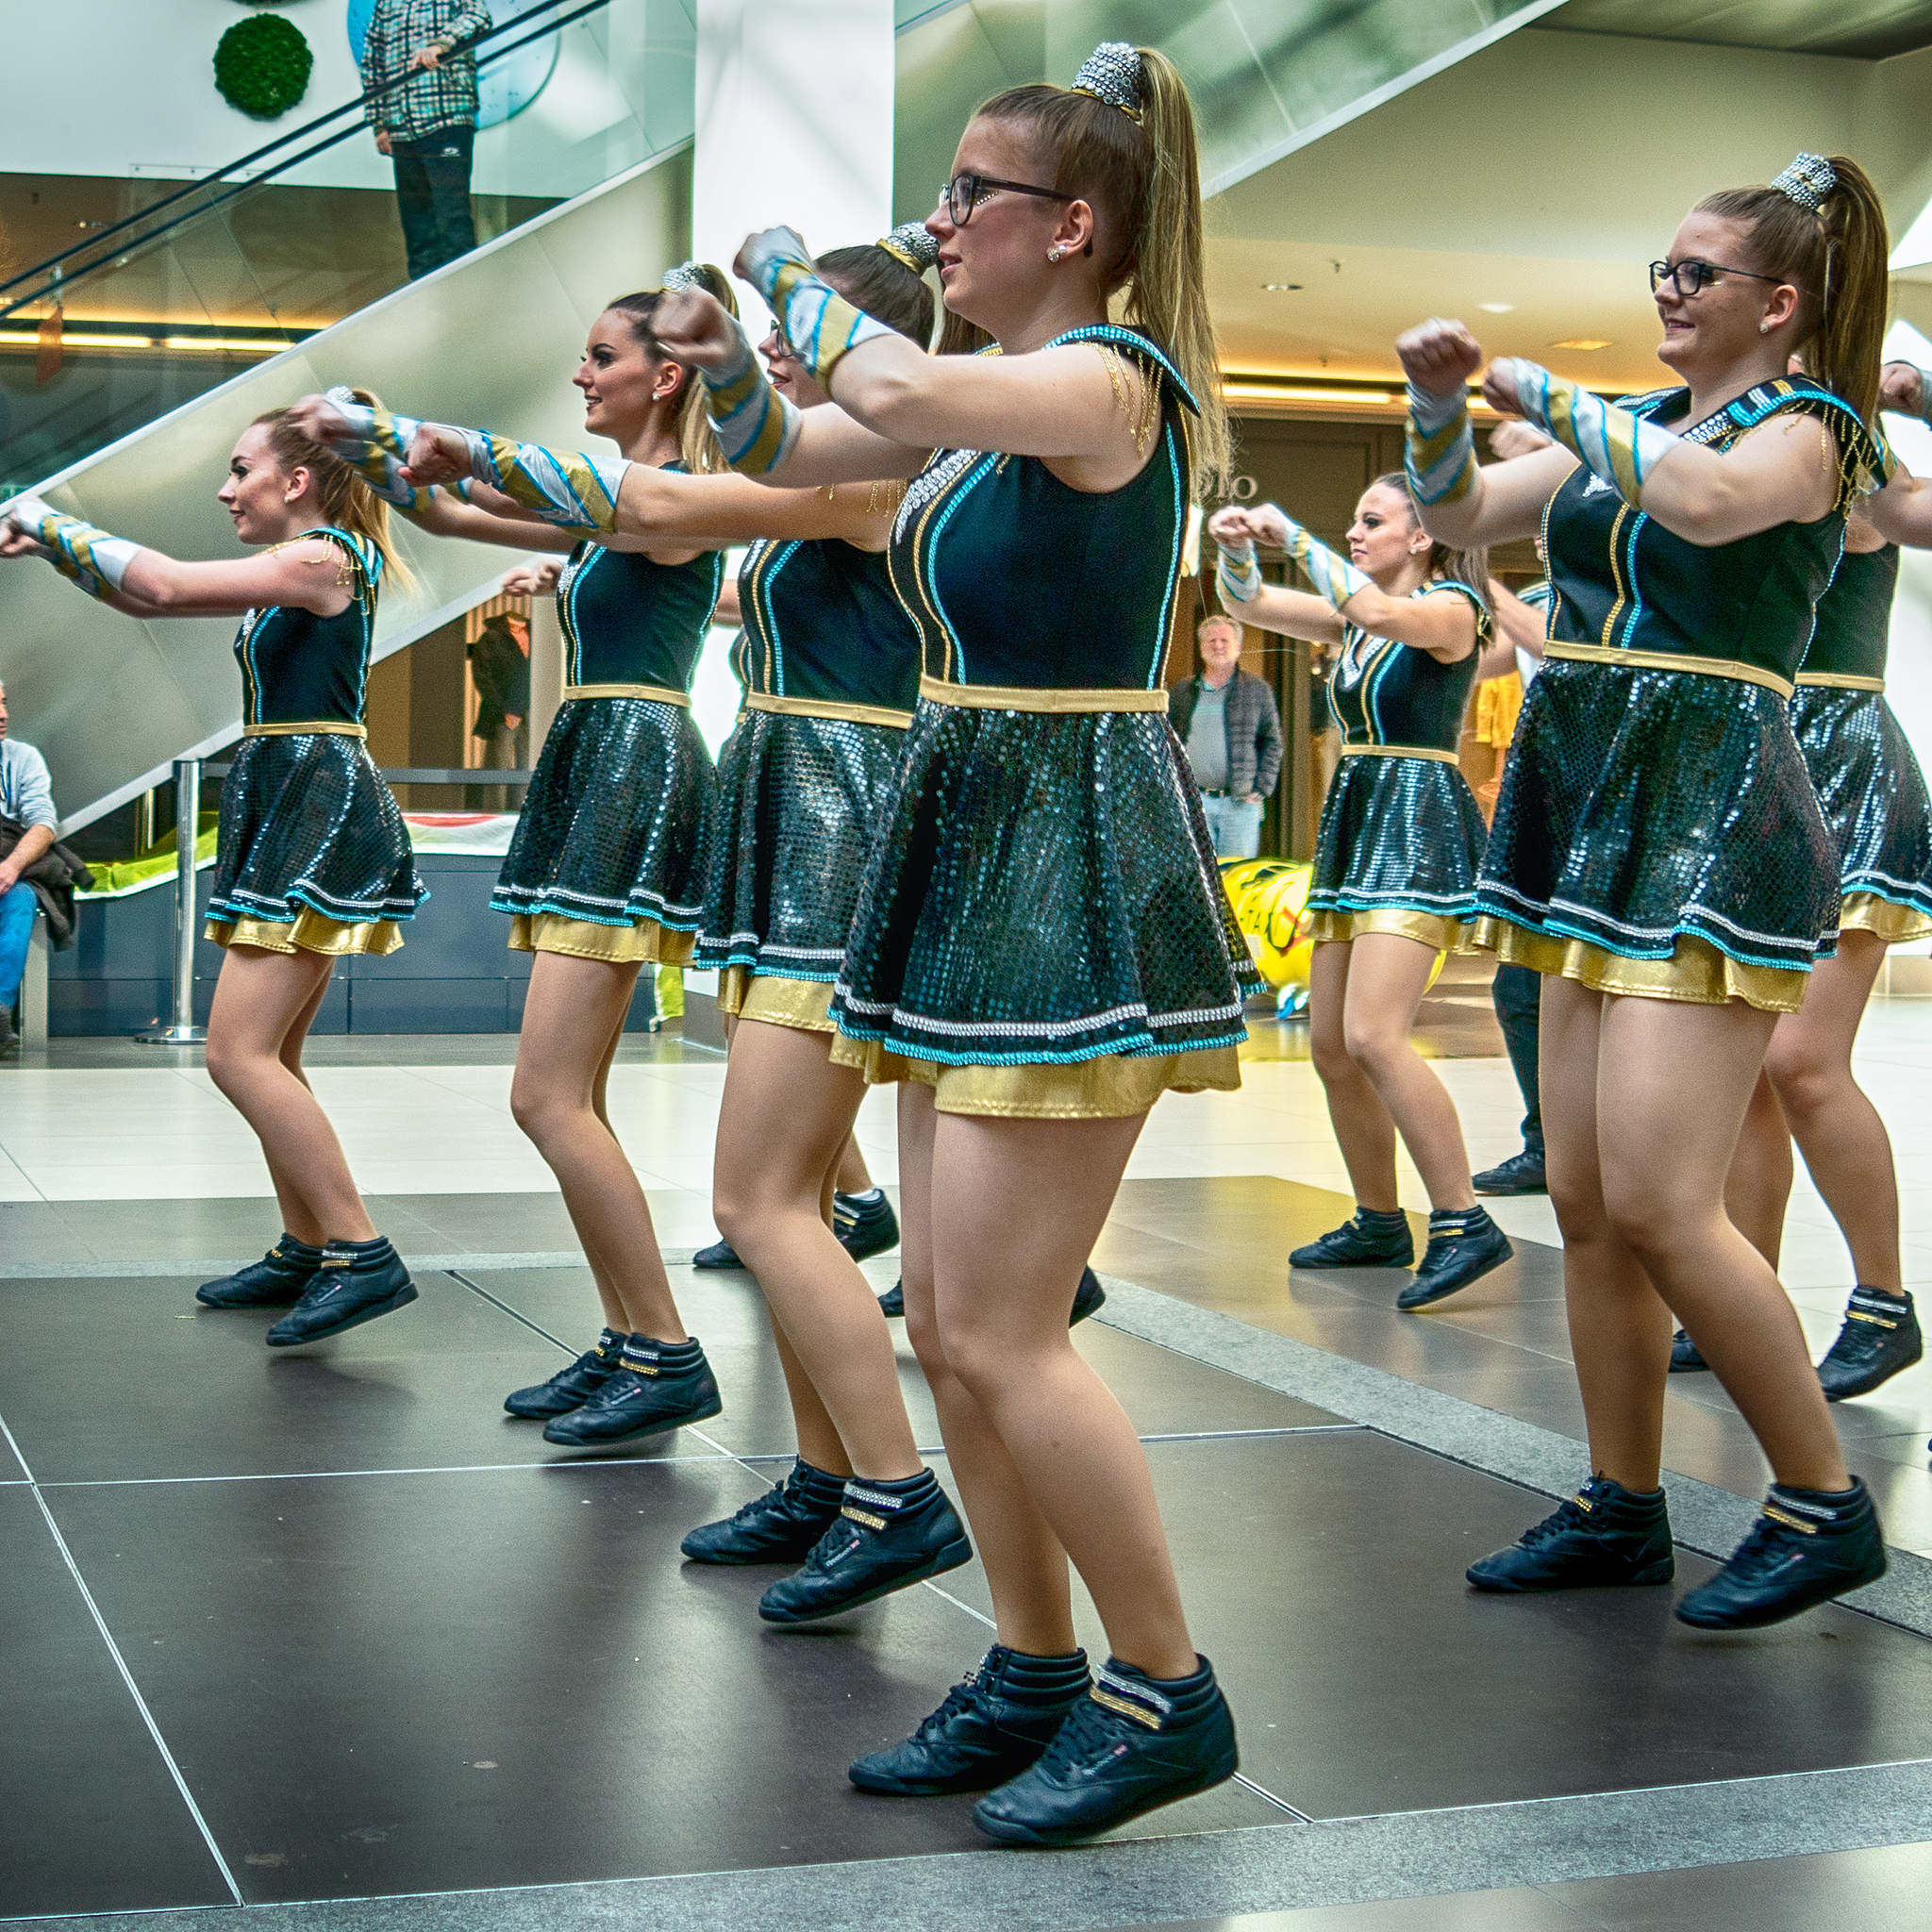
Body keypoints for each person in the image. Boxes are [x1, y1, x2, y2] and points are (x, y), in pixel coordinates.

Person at [641, 41, 1248, 1845]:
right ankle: (1034, 1662)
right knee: (956, 1320)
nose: (939, 216)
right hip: (969, 833)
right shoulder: (989, 400)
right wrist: (732, 354)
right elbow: (800, 442)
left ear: (1071, 224)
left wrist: (775, 266)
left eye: (968, 191)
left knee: (993, 1326)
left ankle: (1167, 1683)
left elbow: (880, 373)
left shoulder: (1106, 380)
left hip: (1063, 849)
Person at [1401, 152, 1894, 1628]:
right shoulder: (1649, 427)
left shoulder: (1816, 428)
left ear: (1779, 301)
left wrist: (1555, 396)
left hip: (1711, 803)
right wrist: (1438, 422)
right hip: (1594, 800)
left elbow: (1711, 504)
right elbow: (1471, 512)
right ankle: (1622, 1500)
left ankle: (1820, 1499)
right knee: (1586, 1195)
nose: (1669, 294)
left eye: (1696, 274)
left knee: (1673, 1204)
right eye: (1662, 272)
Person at [289, 265, 740, 1451]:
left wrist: (406, 435)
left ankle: (664, 1348)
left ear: (668, 372)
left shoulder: (673, 491)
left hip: (630, 758)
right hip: (601, 751)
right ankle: (632, 1332)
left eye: (603, 356)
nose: (583, 374)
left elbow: (555, 496)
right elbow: (451, 514)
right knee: (566, 1091)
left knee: (543, 1093)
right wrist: (376, 451)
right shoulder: (618, 505)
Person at [3, 412, 425, 1345]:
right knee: (271, 1054)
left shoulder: (322, 559)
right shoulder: (295, 566)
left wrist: (48, 515)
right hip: (290, 798)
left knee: (236, 1053)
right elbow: (144, 600)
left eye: (242, 470)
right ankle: (307, 1243)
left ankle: (360, 1250)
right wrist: (50, 547)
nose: (228, 489)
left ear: (299, 481)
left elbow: (160, 579)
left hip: (316, 805)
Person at [1210, 482, 1512, 1310]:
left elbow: (1380, 617)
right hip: (1359, 821)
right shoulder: (1355, 614)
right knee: (1333, 1047)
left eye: (1372, 521)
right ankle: (1380, 1217)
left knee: (1376, 1036)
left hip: (1417, 824)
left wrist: (1296, 533)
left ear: (1424, 538)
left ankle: (1463, 1219)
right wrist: (1236, 546)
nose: (1356, 531)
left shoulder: (1453, 608)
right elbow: (1250, 602)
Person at [1699, 350, 1932, 1401]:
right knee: (1747, 1064)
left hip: (1843, 761)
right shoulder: (1743, 449)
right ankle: (1737, 1300)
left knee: (1799, 1060)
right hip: (1766, 763)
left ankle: (1882, 1302)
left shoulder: (1846, 448)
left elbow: (1908, 510)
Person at [361, 0, 491, 281]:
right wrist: (379, 123)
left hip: (447, 118)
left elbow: (479, 14)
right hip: (402, 126)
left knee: (452, 216)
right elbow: (372, 61)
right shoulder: (387, 4)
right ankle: (426, 300)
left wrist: (442, 44)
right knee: (417, 226)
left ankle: (465, 291)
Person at [1168, 611, 1281, 858]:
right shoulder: (1183, 691)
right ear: (1201, 648)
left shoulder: (1257, 690)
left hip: (1240, 805)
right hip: (1196, 802)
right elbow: (1168, 744)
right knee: (1199, 880)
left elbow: (1273, 743)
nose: (1218, 646)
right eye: (1211, 641)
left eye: (1224, 640)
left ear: (1238, 648)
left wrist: (1261, 788)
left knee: (1234, 880)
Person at [0, 678, 58, 1054]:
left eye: (4, 703)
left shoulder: (21, 757)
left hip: (5, 868)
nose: (3, 715)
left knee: (20, 899)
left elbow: (43, 823)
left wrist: (10, 867)